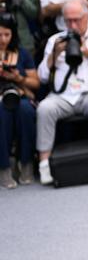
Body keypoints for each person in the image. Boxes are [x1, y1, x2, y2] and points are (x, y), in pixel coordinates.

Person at [37, 0, 88, 184]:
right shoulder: (55, 40)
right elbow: (42, 77)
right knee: (44, 108)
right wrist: (54, 55)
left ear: (87, 16)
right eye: (68, 21)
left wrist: (87, 53)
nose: (72, 25)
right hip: (63, 96)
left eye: (77, 20)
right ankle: (44, 165)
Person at [0, 13, 39, 188]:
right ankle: (4, 167)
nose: (2, 39)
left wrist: (18, 78)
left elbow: (36, 82)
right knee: (2, 113)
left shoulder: (22, 54)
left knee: (26, 111)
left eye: (6, 35)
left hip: (21, 95)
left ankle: (26, 162)